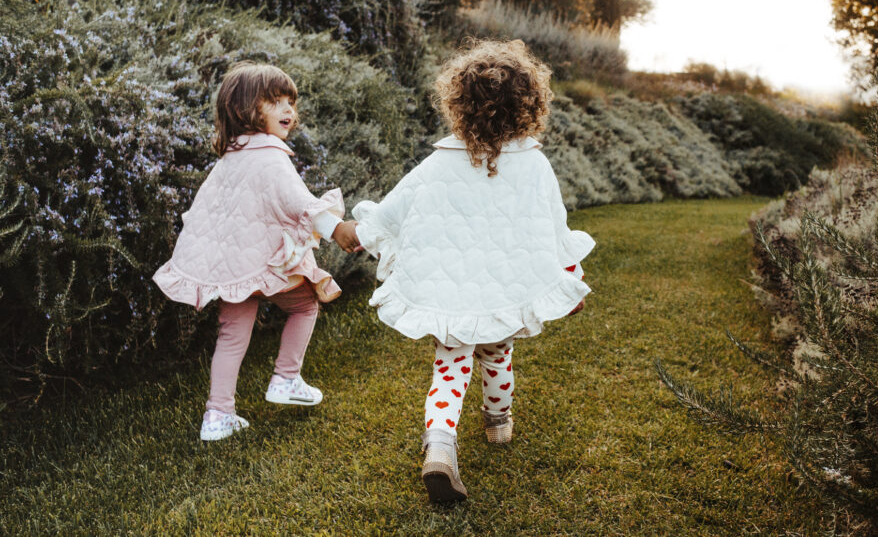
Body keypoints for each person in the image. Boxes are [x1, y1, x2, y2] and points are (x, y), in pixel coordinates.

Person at [352, 39, 594, 502]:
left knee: (451, 362)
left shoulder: (439, 162)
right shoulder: (535, 166)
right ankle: (498, 423)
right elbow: (554, 228)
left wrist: (356, 232)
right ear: (529, 105)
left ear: (459, 105)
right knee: (498, 353)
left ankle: (440, 446)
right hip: (504, 286)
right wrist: (571, 277)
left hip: (451, 291)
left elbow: (391, 212)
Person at [153, 61, 361, 441]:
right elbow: (300, 203)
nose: (288, 110)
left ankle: (217, 416)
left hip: (233, 267)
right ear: (244, 110)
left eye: (290, 102)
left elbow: (209, 215)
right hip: (263, 263)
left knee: (232, 334)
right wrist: (338, 229)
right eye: (275, 101)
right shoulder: (270, 158)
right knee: (304, 306)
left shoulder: (230, 158)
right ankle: (285, 378)